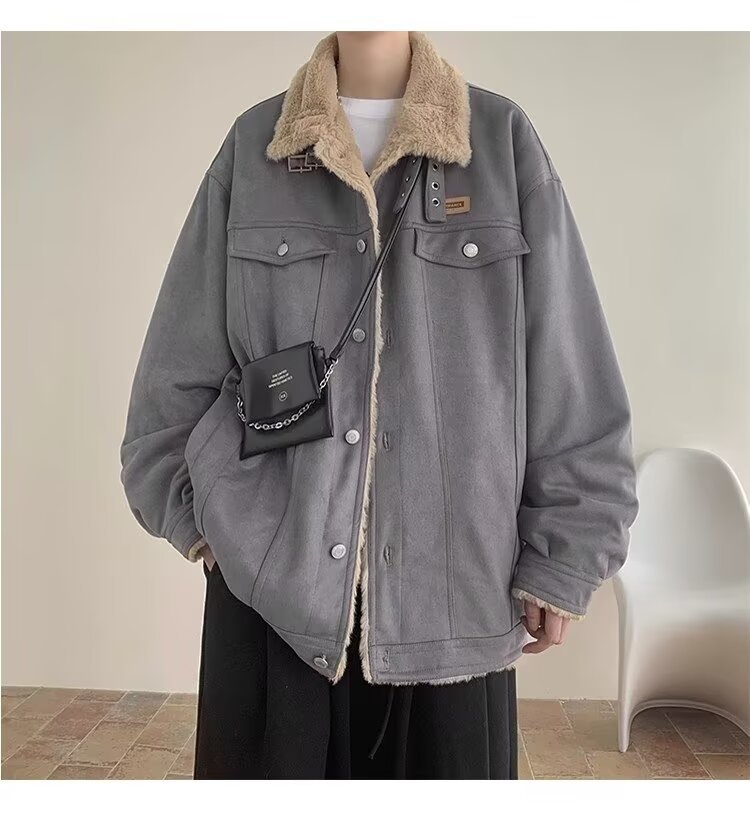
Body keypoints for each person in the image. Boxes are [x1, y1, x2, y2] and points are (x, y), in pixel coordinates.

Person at [120, 31, 639, 779]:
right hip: (270, 604)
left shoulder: (500, 142)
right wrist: (211, 530)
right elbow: (172, 380)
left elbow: (570, 366)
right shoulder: (255, 149)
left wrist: (566, 554)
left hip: (456, 606)